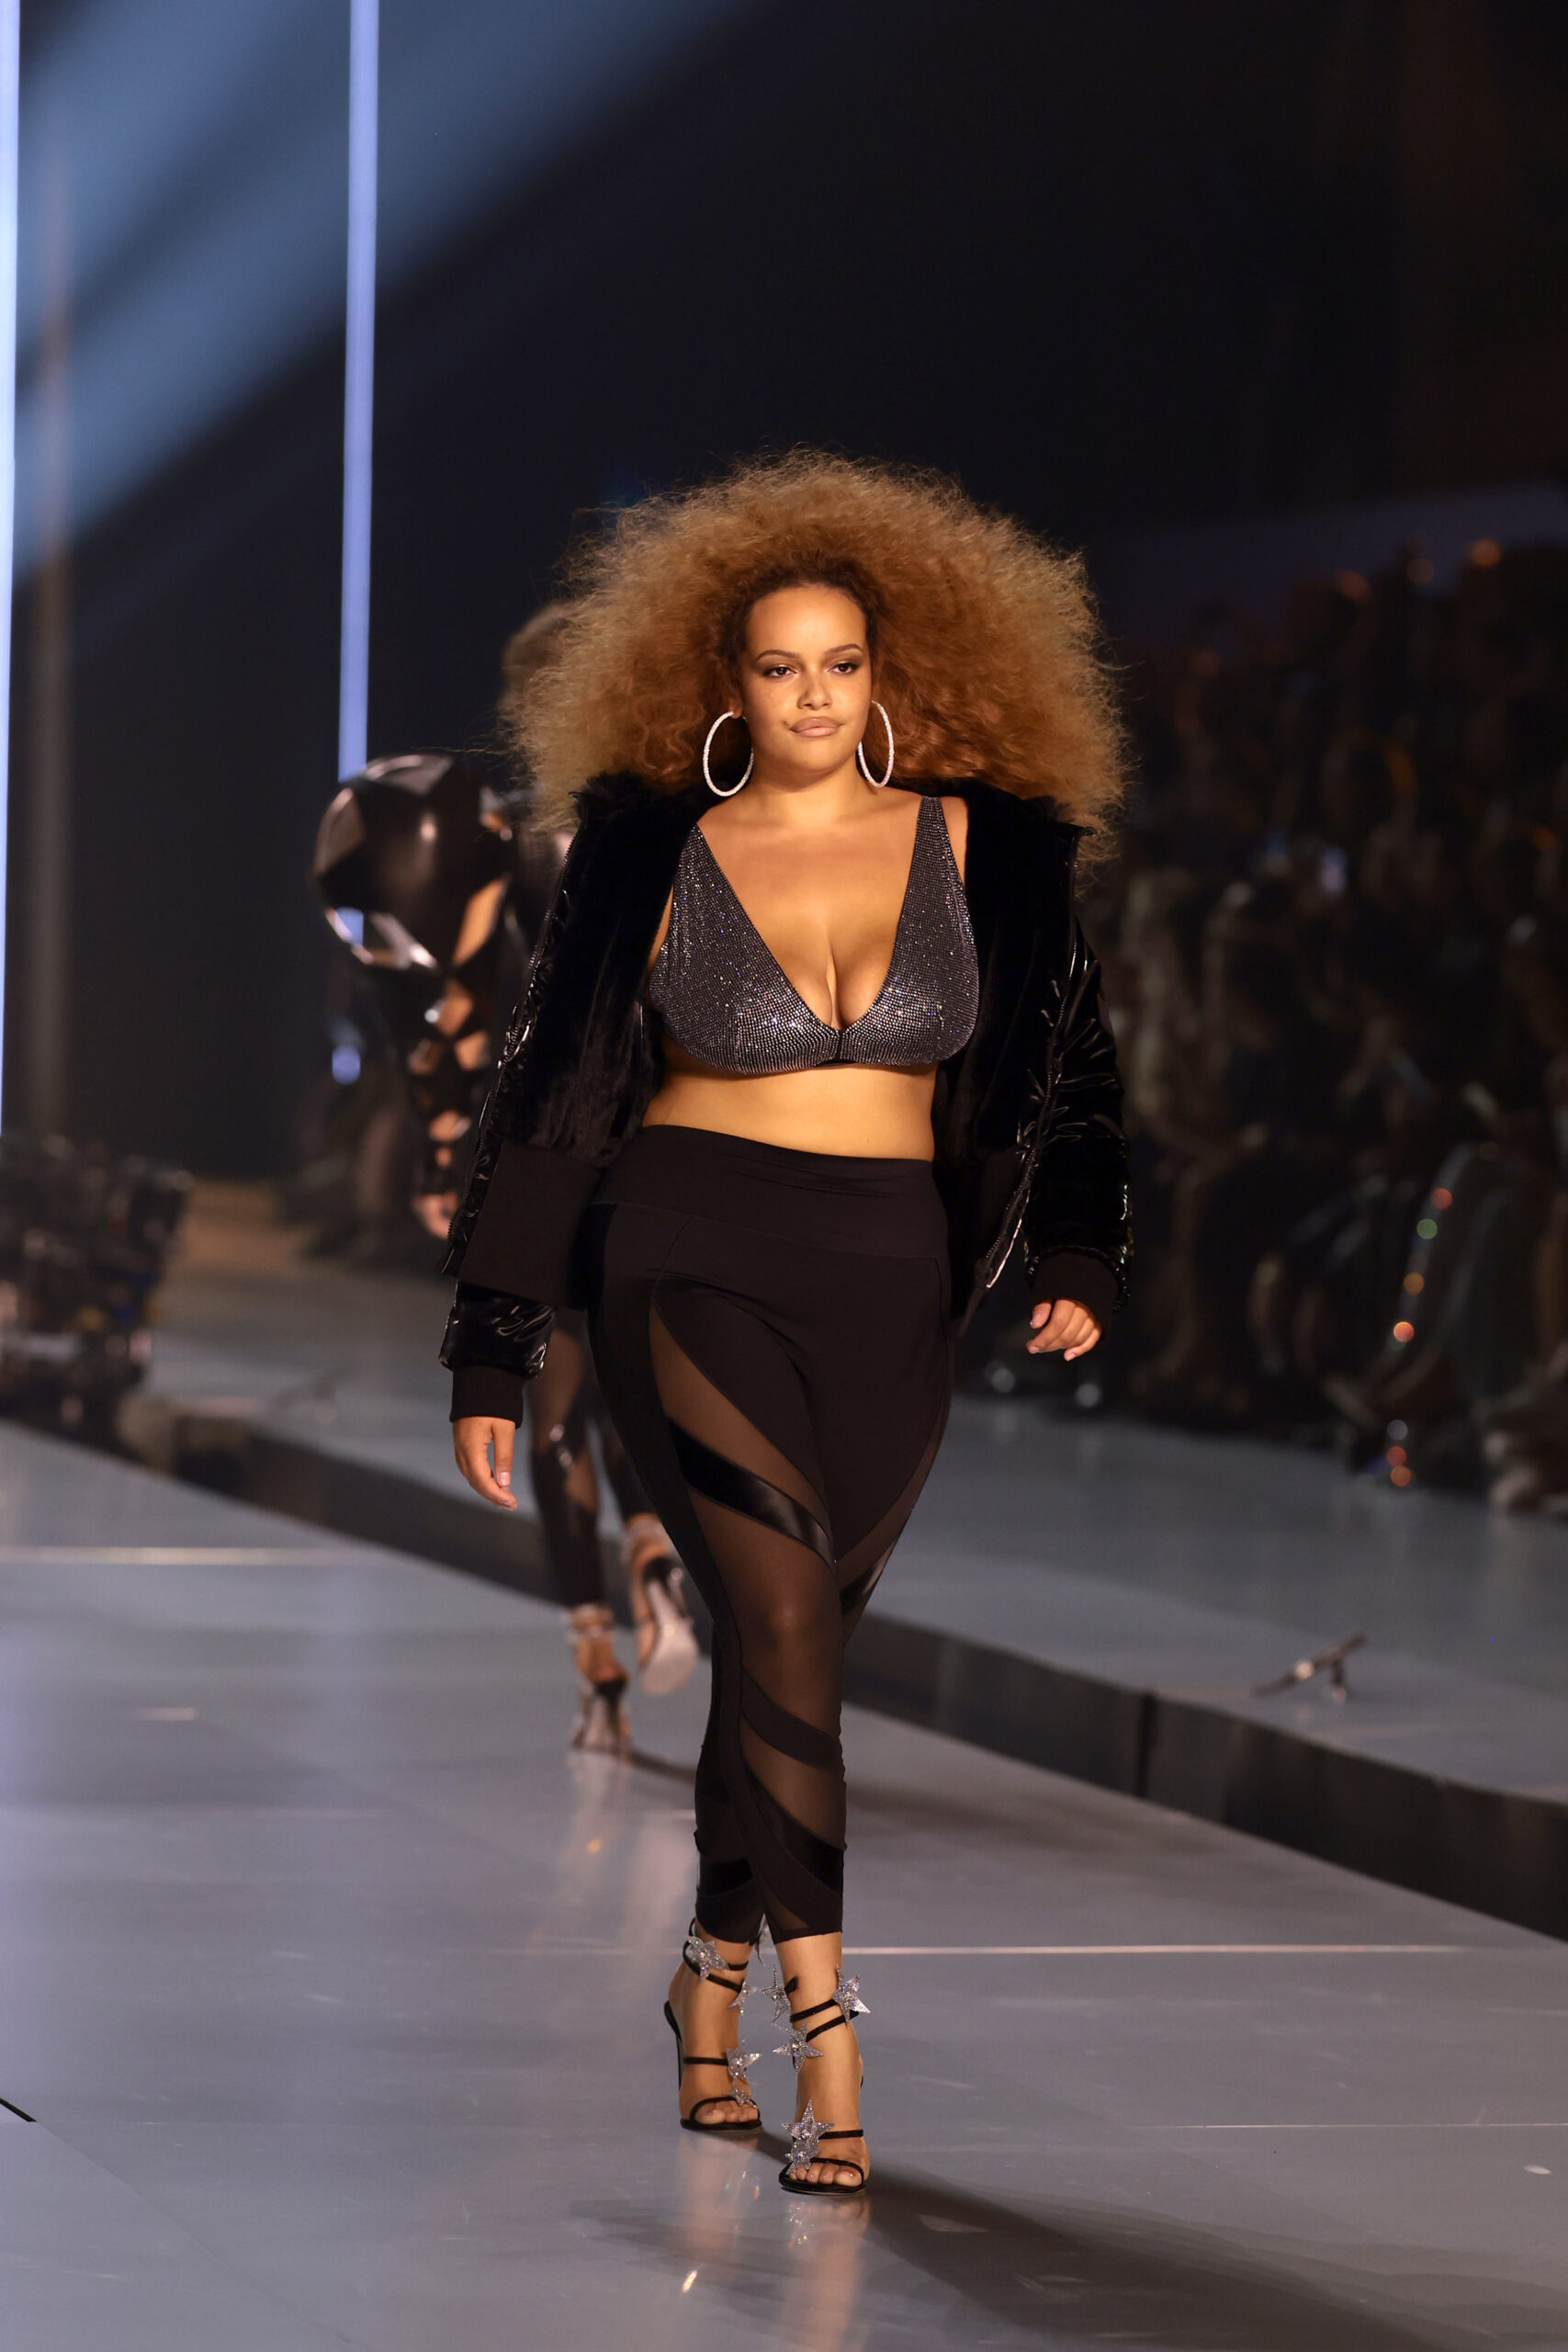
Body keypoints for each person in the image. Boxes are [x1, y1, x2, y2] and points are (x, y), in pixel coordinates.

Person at [440, 452, 1130, 2193]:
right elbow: (551, 1094)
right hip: (688, 1253)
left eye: (840, 664)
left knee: (784, 1654)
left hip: (891, 1281)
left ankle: (705, 1977)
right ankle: (826, 2032)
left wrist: (1074, 1249)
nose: (812, 697)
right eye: (777, 667)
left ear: (888, 675)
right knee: (778, 1615)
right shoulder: (646, 851)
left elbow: (1073, 1075)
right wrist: (496, 1340)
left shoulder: (993, 851)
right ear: (722, 683)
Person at [312, 639, 698, 1754]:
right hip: (639, 1151)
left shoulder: (531, 842)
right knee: (606, 1375)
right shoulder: (612, 835)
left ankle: (598, 1665)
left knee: (560, 1394)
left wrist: (445, 1156)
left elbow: (445, 1025)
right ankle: (648, 1560)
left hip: (568, 1148)